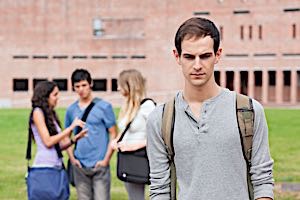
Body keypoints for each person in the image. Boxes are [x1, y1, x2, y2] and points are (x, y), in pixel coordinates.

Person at [146, 17, 274, 200]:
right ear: (177, 57)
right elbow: (159, 188)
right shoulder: (160, 118)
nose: (197, 65)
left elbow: (263, 180)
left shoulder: (249, 111)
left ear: (218, 55)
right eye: (189, 57)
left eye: (205, 56)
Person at [28, 81, 87, 198]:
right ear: (45, 96)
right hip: (44, 169)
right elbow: (48, 142)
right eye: (55, 95)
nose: (57, 98)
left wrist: (74, 139)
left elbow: (57, 146)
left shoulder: (50, 114)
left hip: (57, 167)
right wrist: (70, 128)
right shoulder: (37, 112)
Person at [65, 68, 117, 200]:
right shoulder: (71, 110)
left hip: (99, 165)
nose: (81, 89)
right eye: (77, 86)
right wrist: (72, 158)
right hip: (79, 165)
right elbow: (66, 136)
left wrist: (106, 160)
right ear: (73, 87)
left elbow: (113, 134)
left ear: (91, 84)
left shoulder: (104, 107)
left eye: (84, 85)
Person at [111, 69, 156, 200]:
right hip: (127, 158)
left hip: (139, 158)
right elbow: (126, 129)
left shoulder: (147, 106)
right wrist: (116, 140)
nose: (118, 88)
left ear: (129, 85)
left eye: (120, 84)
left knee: (137, 197)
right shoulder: (129, 106)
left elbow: (159, 136)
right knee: (133, 196)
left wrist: (133, 146)